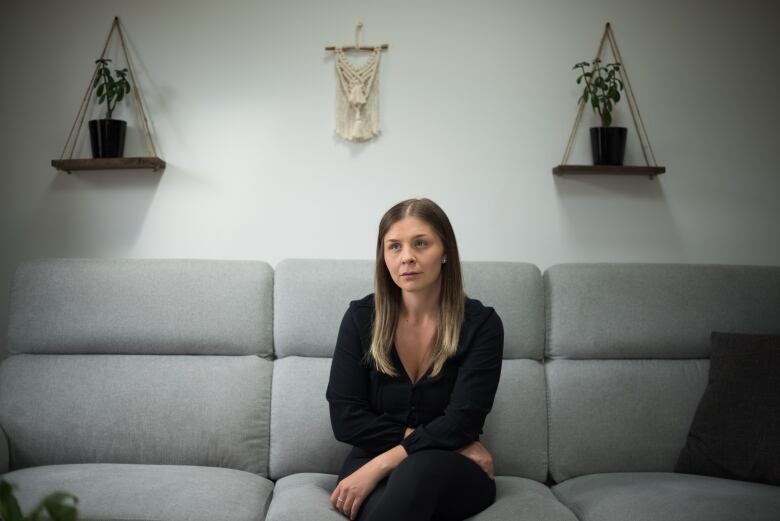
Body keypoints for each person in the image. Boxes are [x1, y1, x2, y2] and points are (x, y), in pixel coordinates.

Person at [326, 198, 504, 521]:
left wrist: (382, 463)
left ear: (446, 250)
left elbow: (463, 421)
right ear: (383, 256)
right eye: (394, 246)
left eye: (420, 243)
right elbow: (345, 417)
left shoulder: (482, 325)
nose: (406, 257)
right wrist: (445, 441)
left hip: (449, 471)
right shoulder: (359, 319)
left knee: (417, 473)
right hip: (383, 461)